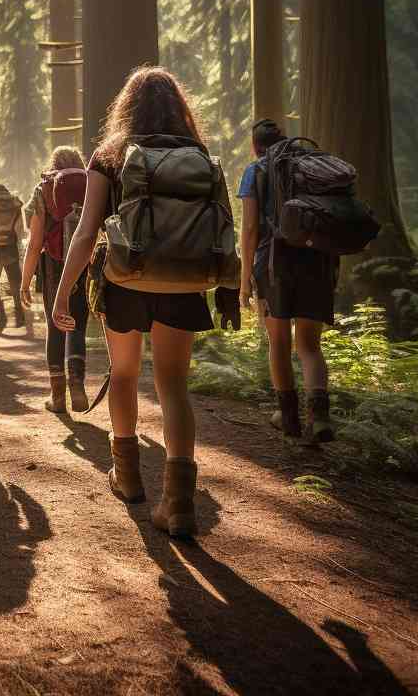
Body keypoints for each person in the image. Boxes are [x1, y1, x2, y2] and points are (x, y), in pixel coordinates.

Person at [53, 67, 235, 538]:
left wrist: (64, 290)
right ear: (180, 108)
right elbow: (222, 225)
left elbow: (86, 229)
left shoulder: (110, 155)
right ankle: (178, 503)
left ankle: (128, 476)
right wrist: (231, 285)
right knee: (174, 386)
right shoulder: (197, 154)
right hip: (183, 283)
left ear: (126, 108)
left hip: (126, 282)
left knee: (126, 374)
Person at [238, 118, 337, 444]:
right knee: (310, 345)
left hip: (274, 264)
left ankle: (288, 416)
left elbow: (250, 229)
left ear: (256, 147)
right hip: (317, 261)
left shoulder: (256, 170)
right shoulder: (311, 168)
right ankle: (320, 417)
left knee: (279, 342)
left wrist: (244, 280)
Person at [20, 146, 89, 414]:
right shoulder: (90, 183)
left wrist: (25, 282)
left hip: (53, 265)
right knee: (77, 325)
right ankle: (77, 384)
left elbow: (35, 242)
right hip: (84, 262)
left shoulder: (44, 188)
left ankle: (58, 396)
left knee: (55, 325)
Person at [0, 183, 28, 334]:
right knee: (15, 284)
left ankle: (1, 318)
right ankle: (20, 317)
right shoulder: (14, 205)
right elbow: (20, 231)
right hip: (11, 248)